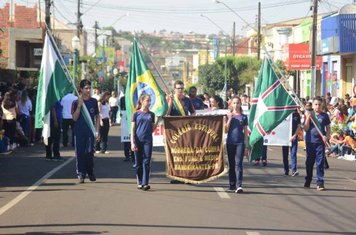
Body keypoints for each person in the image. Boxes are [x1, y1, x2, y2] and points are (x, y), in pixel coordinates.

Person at [166, 80, 195, 184]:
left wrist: (190, 122)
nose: (180, 90)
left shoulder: (187, 100)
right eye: (178, 88)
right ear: (174, 89)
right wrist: (170, 102)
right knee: (176, 154)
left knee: (187, 154)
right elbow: (167, 114)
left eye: (182, 88)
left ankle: (188, 176)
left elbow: (193, 113)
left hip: (186, 130)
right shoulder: (171, 99)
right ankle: (177, 176)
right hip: (174, 131)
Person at [72, 79, 100, 183]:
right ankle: (81, 174)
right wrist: (79, 106)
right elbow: (74, 118)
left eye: (89, 88)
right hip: (79, 131)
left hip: (90, 132)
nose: (88, 90)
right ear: (81, 89)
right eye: (86, 88)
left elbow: (97, 117)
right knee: (80, 153)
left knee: (89, 153)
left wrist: (97, 131)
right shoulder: (76, 102)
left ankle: (90, 171)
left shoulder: (93, 101)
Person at [131, 94, 159, 191]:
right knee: (138, 163)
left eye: (150, 100)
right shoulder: (136, 114)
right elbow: (133, 129)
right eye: (147, 100)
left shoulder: (151, 114)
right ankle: (139, 181)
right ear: (142, 101)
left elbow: (152, 129)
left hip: (148, 141)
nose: (149, 102)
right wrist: (132, 142)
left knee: (147, 161)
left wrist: (158, 120)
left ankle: (145, 183)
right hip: (138, 140)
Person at [304, 96, 331, 191]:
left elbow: (328, 129)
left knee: (320, 163)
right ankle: (308, 180)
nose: (317, 106)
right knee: (309, 163)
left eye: (319, 105)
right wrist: (308, 118)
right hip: (310, 142)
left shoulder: (325, 116)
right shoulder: (309, 114)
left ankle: (320, 182)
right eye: (316, 104)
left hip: (320, 143)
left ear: (322, 105)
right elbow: (306, 128)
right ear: (313, 105)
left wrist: (326, 137)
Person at [225, 96, 248, 193]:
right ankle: (232, 184)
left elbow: (246, 132)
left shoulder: (244, 117)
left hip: (240, 143)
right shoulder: (227, 115)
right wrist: (230, 118)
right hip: (230, 142)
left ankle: (239, 185)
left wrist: (246, 146)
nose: (236, 104)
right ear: (231, 104)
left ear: (240, 104)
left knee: (239, 164)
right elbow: (225, 129)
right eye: (234, 103)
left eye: (238, 103)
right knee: (231, 164)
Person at [282, 109, 301, 176]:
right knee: (285, 154)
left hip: (294, 137)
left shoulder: (297, 114)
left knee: (293, 153)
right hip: (285, 137)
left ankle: (294, 170)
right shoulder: (284, 113)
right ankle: (286, 170)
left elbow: (299, 126)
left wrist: (295, 135)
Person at [120, 95, 134, 162]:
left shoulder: (133, 96)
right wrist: (121, 114)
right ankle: (127, 155)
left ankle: (133, 155)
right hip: (124, 119)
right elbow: (121, 108)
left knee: (132, 138)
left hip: (131, 117)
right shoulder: (122, 98)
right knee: (126, 139)